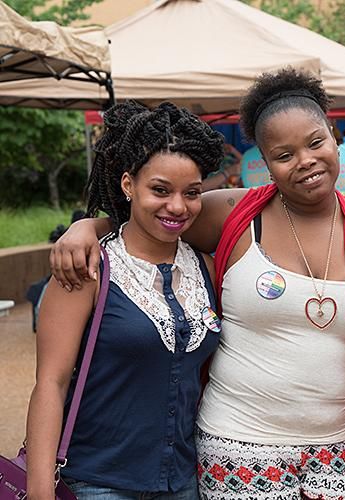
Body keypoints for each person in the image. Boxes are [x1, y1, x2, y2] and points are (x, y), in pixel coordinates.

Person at [49, 68, 345, 499]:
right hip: (239, 442)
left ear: (334, 135)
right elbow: (158, 215)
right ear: (263, 161)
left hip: (339, 446)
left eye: (316, 142)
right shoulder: (235, 214)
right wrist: (88, 226)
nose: (306, 161)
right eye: (284, 154)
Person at [26, 101, 225, 500]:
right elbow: (51, 381)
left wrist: (90, 221)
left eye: (192, 193)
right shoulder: (87, 268)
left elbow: (264, 196)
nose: (177, 207)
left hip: (183, 482)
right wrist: (40, 489)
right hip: (97, 483)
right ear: (128, 184)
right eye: (160, 190)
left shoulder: (206, 268)